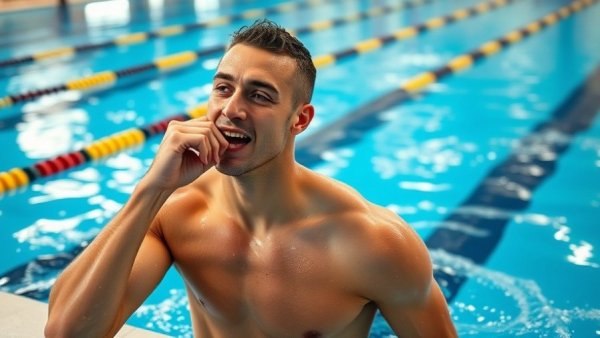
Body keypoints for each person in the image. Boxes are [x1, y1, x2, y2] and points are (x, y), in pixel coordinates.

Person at [45, 19, 457, 338]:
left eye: (260, 95)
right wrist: (151, 189)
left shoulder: (372, 242)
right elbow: (67, 333)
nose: (231, 110)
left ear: (300, 119)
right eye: (224, 88)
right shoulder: (178, 210)